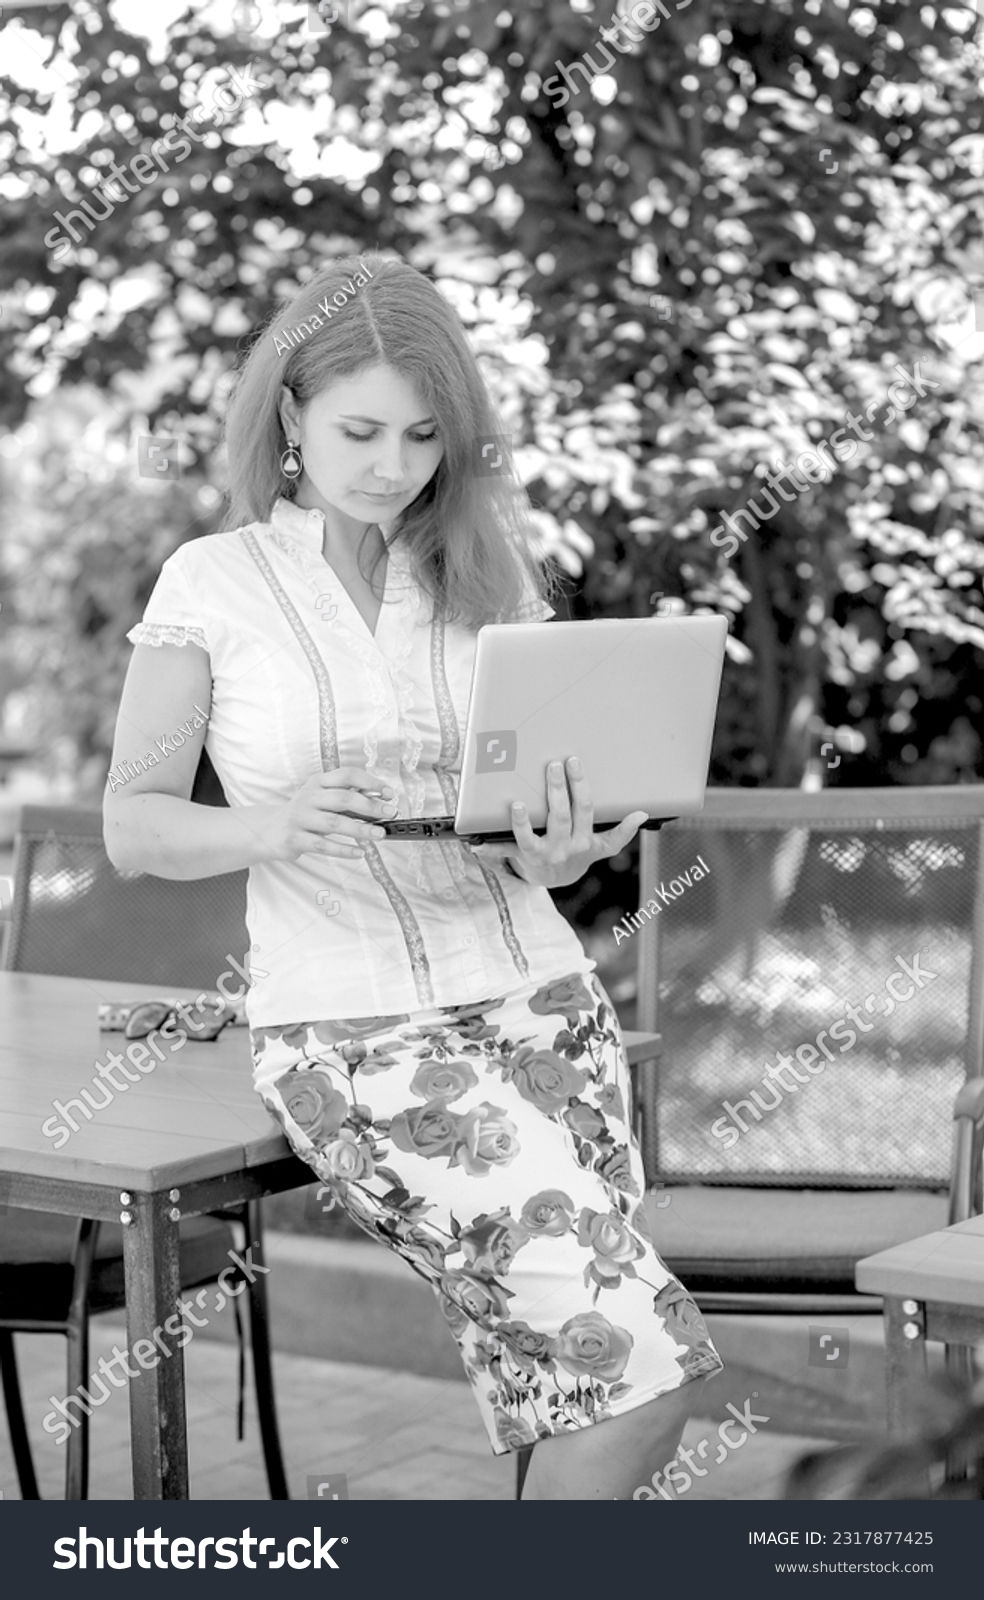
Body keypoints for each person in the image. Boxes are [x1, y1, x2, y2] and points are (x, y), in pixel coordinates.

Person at [103, 250, 724, 1500]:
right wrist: (264, 826)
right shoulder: (211, 585)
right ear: (289, 413)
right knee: (656, 1369)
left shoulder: (486, 575)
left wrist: (567, 845)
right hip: (353, 1033)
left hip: (543, 998)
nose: (393, 463)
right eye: (362, 429)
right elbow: (134, 824)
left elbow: (559, 808)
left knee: (577, 1374)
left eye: (425, 435)